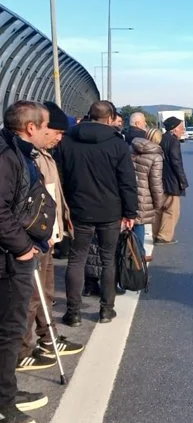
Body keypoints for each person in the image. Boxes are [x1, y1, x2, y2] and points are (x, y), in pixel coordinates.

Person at [56, 101, 138, 326]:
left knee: (76, 259)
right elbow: (127, 182)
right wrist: (130, 212)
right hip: (110, 211)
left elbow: (59, 176)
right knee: (107, 259)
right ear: (110, 118)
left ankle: (73, 313)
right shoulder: (117, 143)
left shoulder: (67, 140)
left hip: (78, 209)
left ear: (89, 115)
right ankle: (106, 310)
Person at [0, 101, 57, 422]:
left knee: (9, 330)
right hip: (9, 259)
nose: (49, 131)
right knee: (8, 331)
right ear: (31, 128)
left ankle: (6, 390)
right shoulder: (8, 157)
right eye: (46, 125)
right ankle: (5, 405)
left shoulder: (15, 152)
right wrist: (23, 247)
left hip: (13, 254)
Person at [17, 102, 84, 373]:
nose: (60, 137)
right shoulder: (29, 158)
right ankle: (23, 350)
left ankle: (48, 337)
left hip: (47, 235)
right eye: (56, 131)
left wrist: (58, 228)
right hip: (33, 238)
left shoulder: (45, 154)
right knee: (31, 297)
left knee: (45, 293)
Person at [131, 128, 164, 262]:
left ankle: (132, 251)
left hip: (130, 191)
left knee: (131, 223)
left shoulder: (131, 148)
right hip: (145, 195)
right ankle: (139, 254)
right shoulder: (156, 156)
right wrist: (159, 203)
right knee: (140, 223)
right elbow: (155, 183)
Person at [155, 117, 188, 245]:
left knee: (159, 208)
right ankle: (164, 236)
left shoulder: (162, 138)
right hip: (171, 180)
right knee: (172, 210)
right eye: (181, 127)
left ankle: (155, 232)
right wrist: (182, 180)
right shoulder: (174, 142)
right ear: (174, 129)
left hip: (161, 179)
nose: (183, 130)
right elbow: (176, 162)